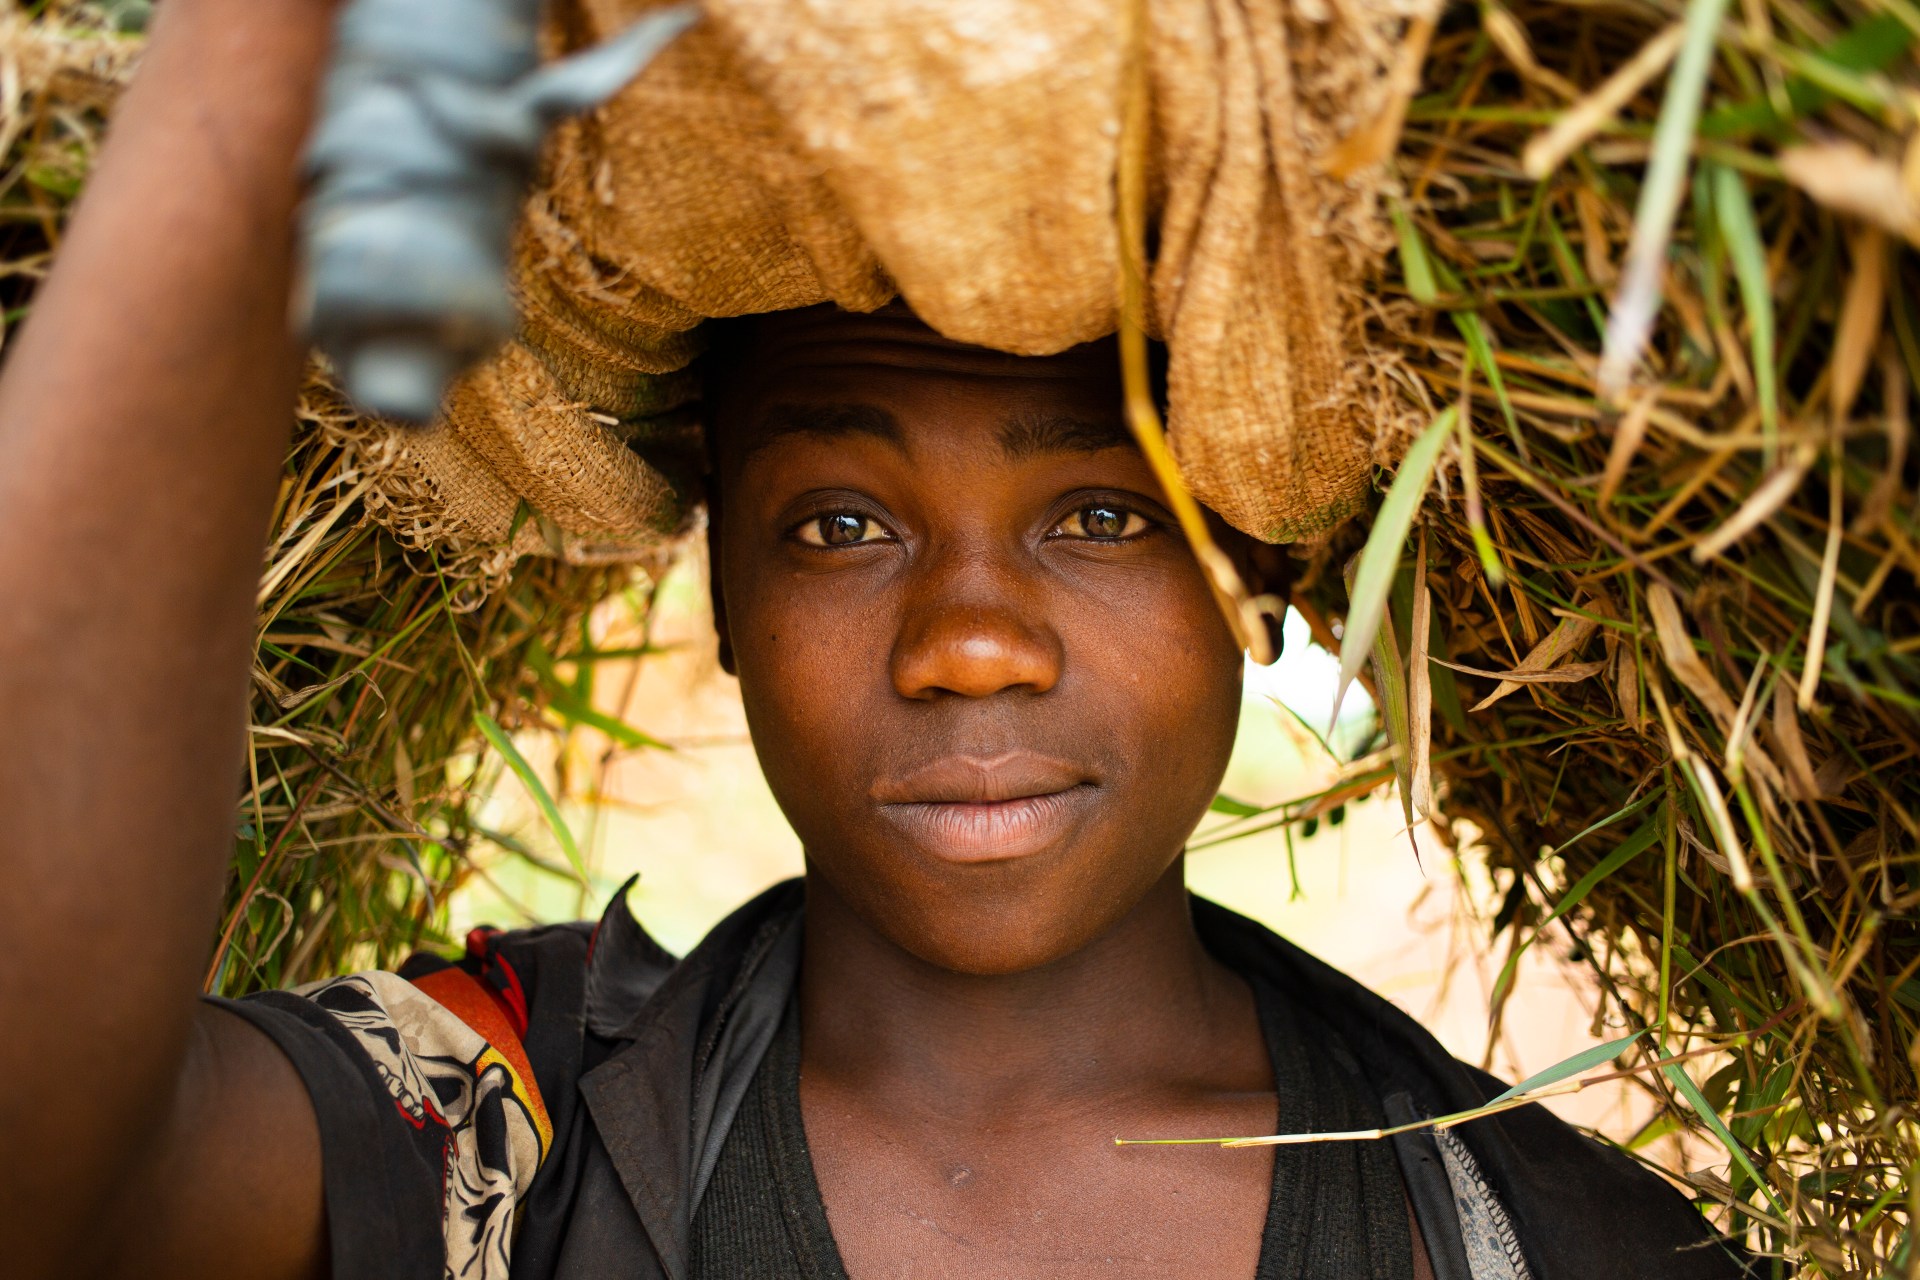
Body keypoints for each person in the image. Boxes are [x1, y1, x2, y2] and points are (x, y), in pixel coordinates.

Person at [0, 4, 1751, 1279]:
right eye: (843, 525)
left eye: (1101, 515)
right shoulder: (502, 1130)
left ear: (1259, 580)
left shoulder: (1542, 1235)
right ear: (727, 605)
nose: (971, 645)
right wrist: (260, 69)